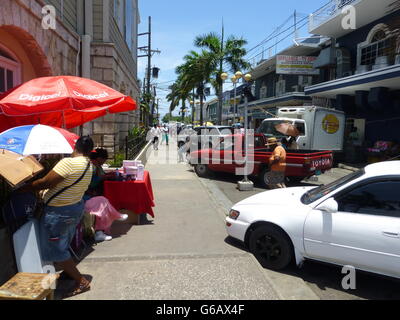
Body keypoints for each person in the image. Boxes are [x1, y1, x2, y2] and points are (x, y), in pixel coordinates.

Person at [21, 136, 94, 297]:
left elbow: (45, 183)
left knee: (55, 250)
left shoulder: (68, 163)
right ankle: (69, 271)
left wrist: (23, 188)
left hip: (59, 213)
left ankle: (81, 281)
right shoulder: (89, 165)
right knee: (63, 244)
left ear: (75, 146)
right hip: (74, 209)